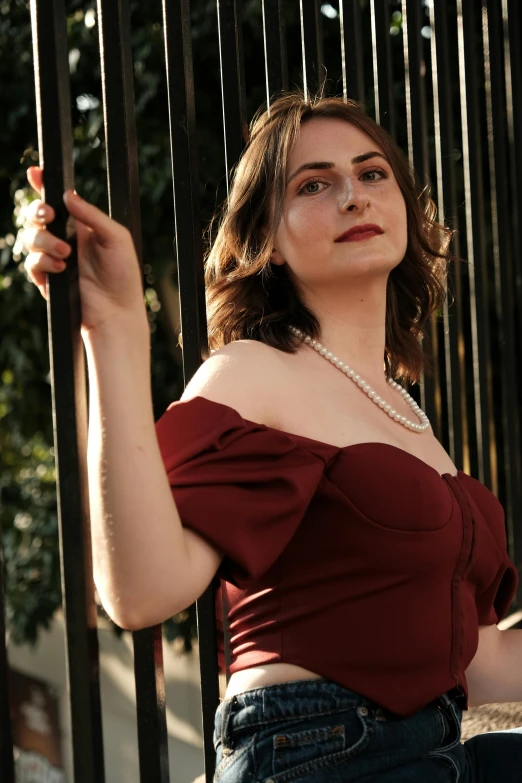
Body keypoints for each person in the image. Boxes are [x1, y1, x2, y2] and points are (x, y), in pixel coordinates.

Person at [23, 92, 522, 782]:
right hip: (317, 752)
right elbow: (140, 591)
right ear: (268, 239)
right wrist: (114, 329)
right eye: (314, 183)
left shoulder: (406, 409)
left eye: (373, 174)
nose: (353, 195)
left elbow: (479, 657)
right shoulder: (251, 371)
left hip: (437, 746)